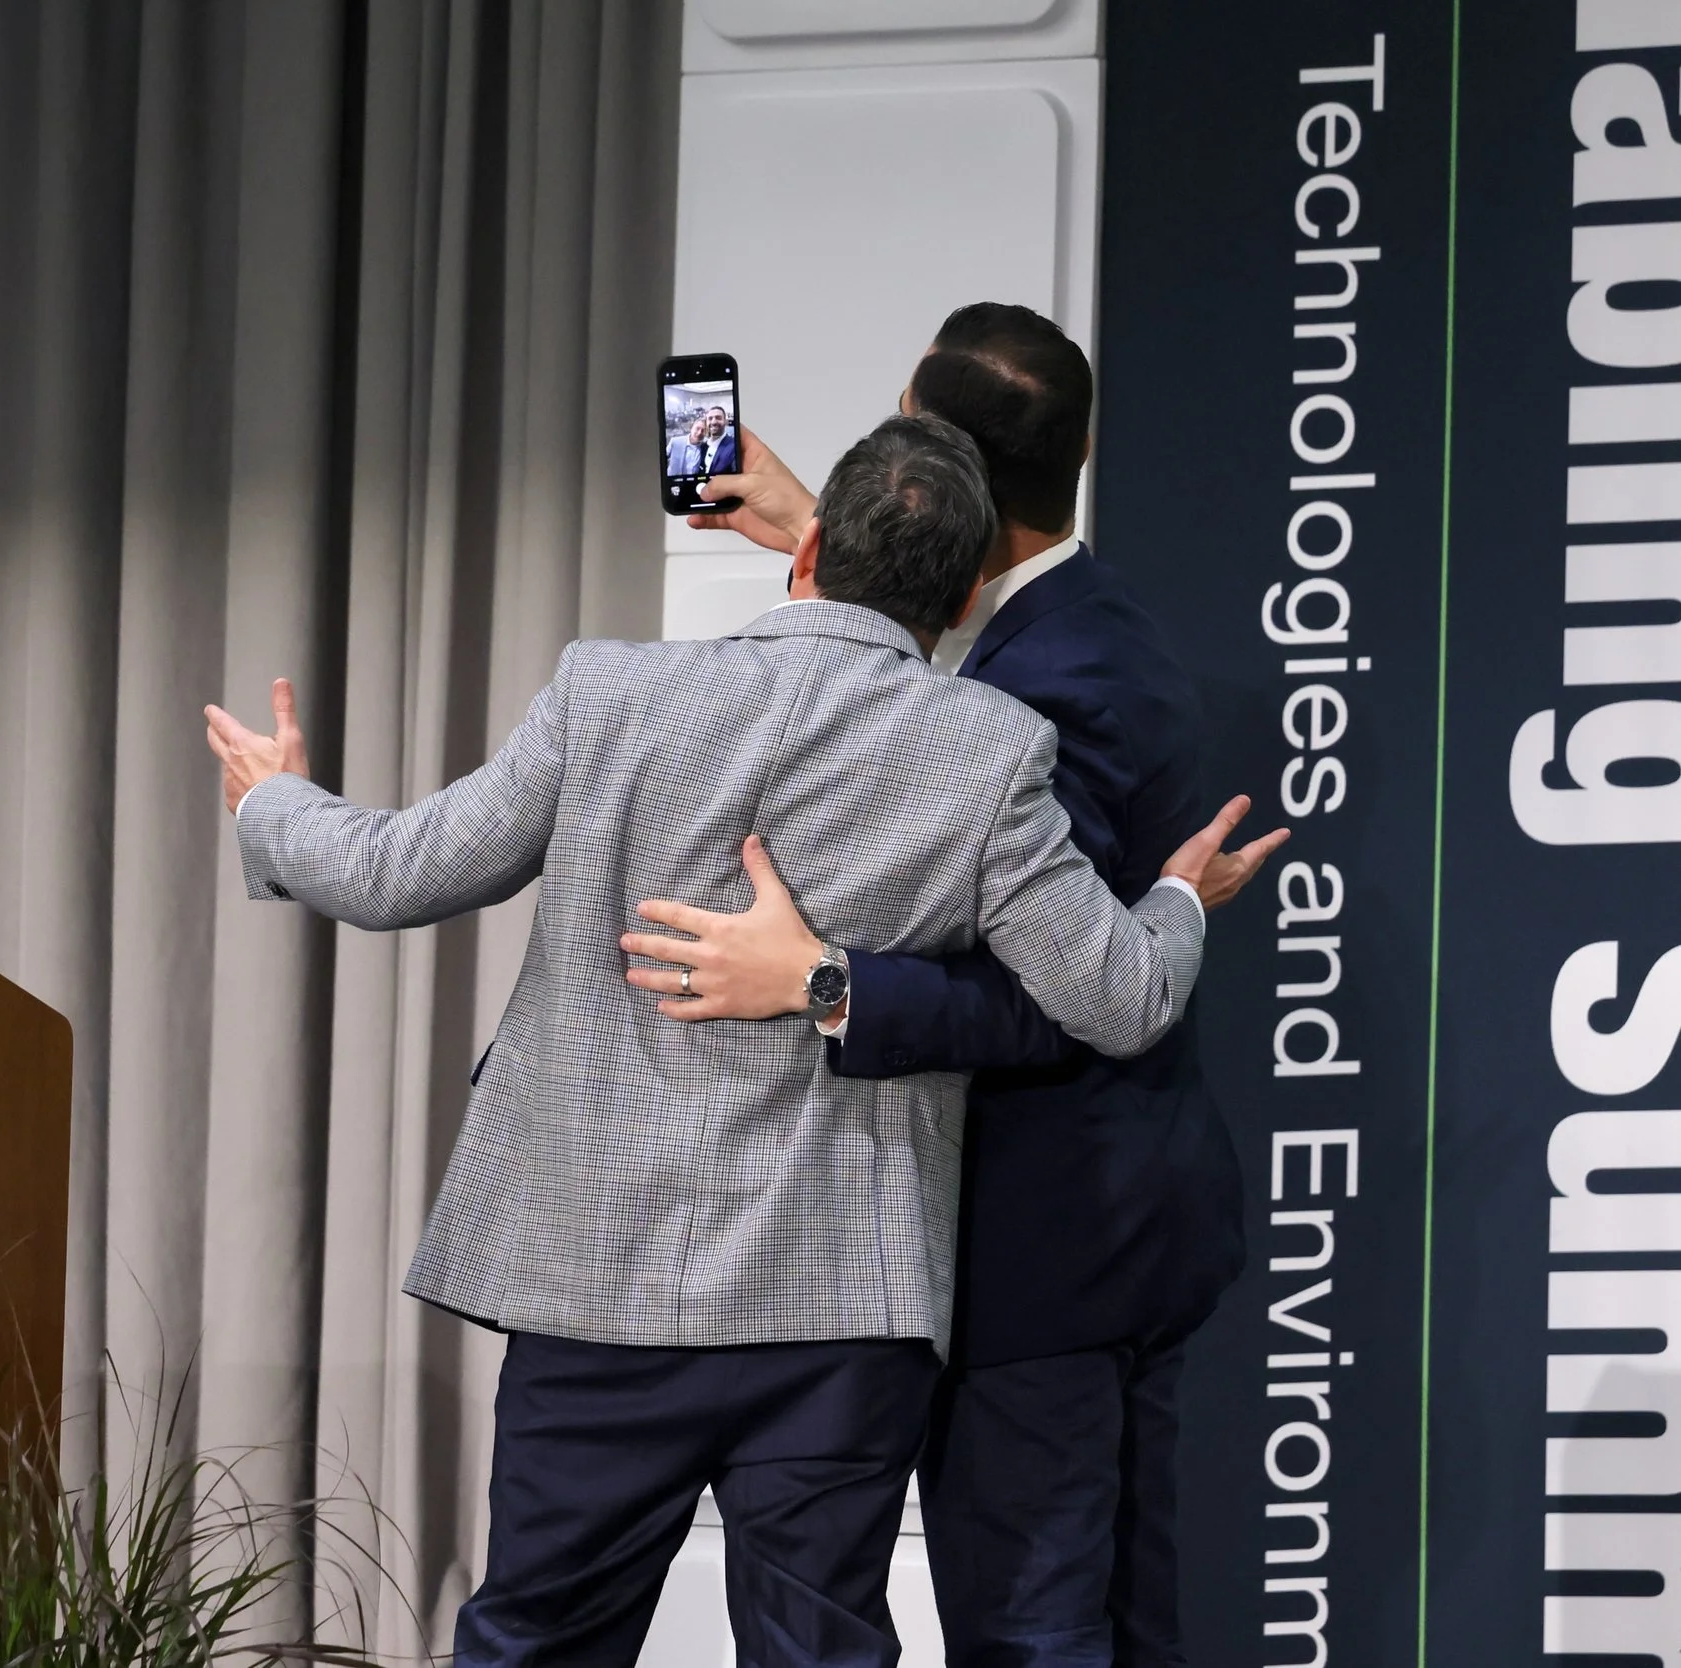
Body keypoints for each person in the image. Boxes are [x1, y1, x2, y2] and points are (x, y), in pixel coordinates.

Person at [203, 413, 1285, 1668]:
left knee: (537, 1641)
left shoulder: (610, 691)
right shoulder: (990, 752)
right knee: (817, 1651)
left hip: (592, 1286)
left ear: (805, 549)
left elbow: (394, 874)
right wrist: (1173, 901)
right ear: (956, 606)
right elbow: (1119, 999)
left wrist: (275, 800)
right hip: (838, 1309)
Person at [636, 303, 1256, 1668]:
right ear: (1081, 451)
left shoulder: (1051, 693)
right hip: (1115, 1229)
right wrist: (830, 537)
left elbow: (1056, 993)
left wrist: (822, 984)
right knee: (1111, 1618)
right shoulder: (1081, 625)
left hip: (1050, 1254)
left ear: (940, 451)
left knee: (1034, 1632)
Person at [698, 403, 739, 474]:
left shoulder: (734, 446)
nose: (713, 422)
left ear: (725, 421)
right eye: (710, 418)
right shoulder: (702, 446)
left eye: (718, 418)